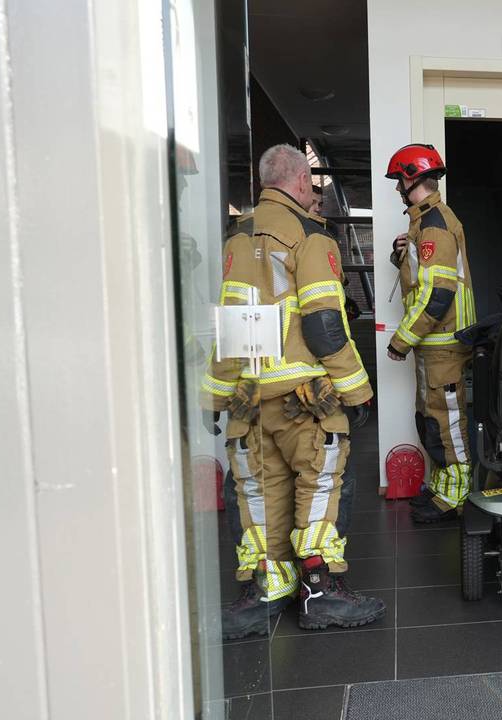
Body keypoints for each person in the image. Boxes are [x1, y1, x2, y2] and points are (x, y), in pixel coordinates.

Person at [202, 143, 383, 639]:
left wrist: (213, 397)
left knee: (258, 494)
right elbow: (325, 324)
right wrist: (358, 391)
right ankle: (320, 591)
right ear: (301, 182)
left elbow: (230, 328)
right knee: (321, 488)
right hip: (306, 401)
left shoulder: (235, 241)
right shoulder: (310, 238)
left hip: (250, 402)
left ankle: (266, 588)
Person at [384, 143, 477, 523]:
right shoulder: (425, 223)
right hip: (436, 346)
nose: (395, 189)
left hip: (443, 345)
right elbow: (425, 278)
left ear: (411, 177)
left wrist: (400, 340)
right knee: (433, 420)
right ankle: (443, 489)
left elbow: (438, 294)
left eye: (397, 181)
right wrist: (400, 255)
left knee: (447, 423)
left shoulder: (434, 224)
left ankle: (456, 498)